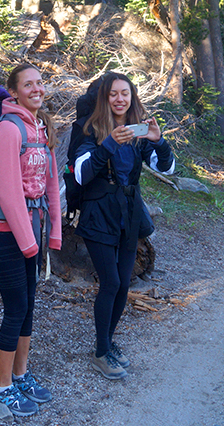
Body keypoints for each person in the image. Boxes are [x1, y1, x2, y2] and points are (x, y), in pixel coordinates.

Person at [73, 72, 175, 379]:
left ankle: (108, 341)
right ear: (105, 97)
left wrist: (159, 141)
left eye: (125, 93)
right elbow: (80, 174)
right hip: (99, 213)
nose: (120, 99)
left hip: (129, 214)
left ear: (132, 97)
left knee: (122, 283)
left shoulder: (137, 132)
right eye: (114, 94)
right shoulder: (88, 129)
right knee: (112, 283)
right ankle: (101, 352)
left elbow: (166, 167)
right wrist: (107, 145)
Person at [0, 63, 62, 416]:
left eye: (40, 83)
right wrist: (29, 243)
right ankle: (1, 388)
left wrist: (54, 232)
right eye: (28, 84)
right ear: (14, 92)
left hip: (33, 228)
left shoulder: (42, 130)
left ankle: (20, 375)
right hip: (6, 232)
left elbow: (50, 186)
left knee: (29, 307)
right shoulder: (9, 129)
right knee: (15, 308)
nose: (37, 89)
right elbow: (9, 191)